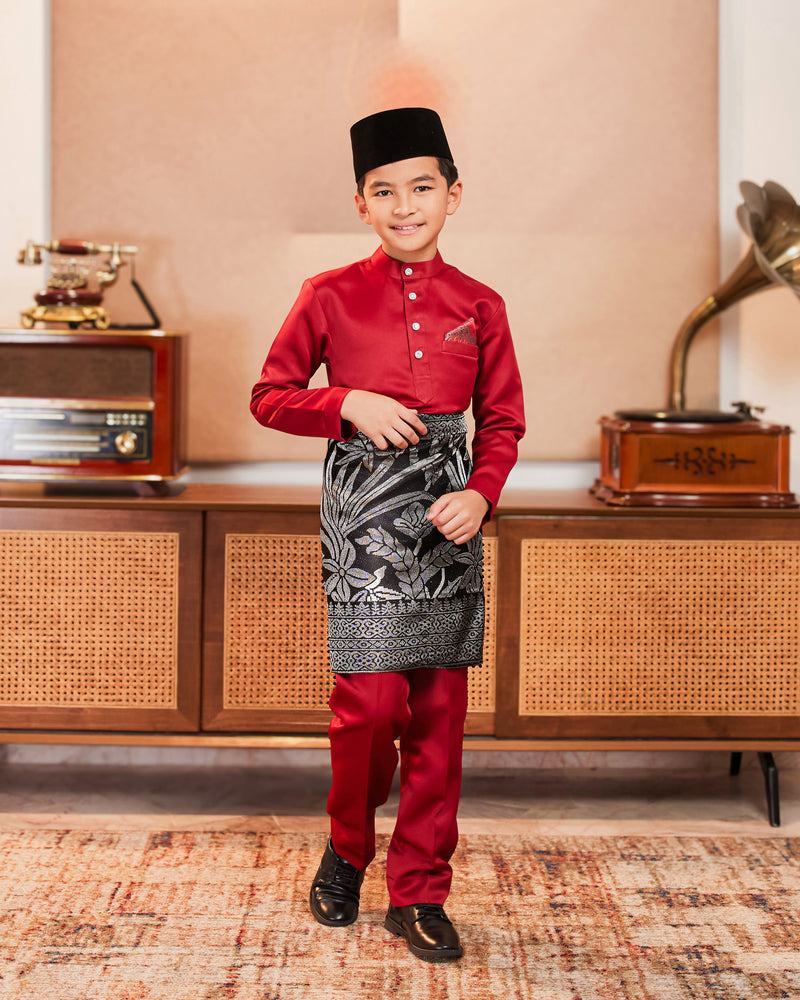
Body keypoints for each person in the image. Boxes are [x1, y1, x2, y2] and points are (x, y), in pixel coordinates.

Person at [250, 107, 525, 962]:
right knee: (368, 708)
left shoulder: (481, 304)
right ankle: (347, 847)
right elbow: (269, 396)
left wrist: (481, 495)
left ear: (453, 195)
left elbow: (503, 422)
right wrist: (346, 404)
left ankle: (421, 890)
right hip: (363, 522)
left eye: (422, 188)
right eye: (384, 191)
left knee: (439, 715)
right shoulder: (326, 295)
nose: (405, 206)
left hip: (449, 522)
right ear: (361, 203)